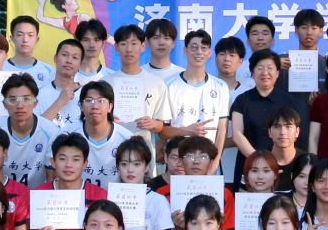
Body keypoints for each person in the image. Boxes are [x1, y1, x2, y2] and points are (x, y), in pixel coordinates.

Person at [149, 30, 231, 170]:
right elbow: (163, 131)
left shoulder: (220, 86)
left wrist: (214, 163)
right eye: (194, 47)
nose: (199, 52)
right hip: (178, 164)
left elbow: (222, 130)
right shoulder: (169, 85)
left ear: (209, 52)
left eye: (203, 48)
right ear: (185, 51)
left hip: (208, 163)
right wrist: (186, 131)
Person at [228, 49, 309, 177]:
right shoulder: (242, 100)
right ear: (252, 73)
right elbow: (237, 135)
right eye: (260, 68)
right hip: (249, 164)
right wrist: (260, 161)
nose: (265, 72)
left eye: (270, 68)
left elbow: (294, 134)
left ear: (277, 73)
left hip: (283, 166)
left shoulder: (289, 101)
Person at [105, 24, 172, 139]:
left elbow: (162, 125)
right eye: (123, 44)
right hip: (112, 146)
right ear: (116, 47)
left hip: (144, 146)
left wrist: (153, 124)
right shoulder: (105, 82)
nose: (129, 49)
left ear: (142, 46)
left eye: (134, 43)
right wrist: (106, 120)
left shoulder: (156, 83)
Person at [3, 15, 57, 90]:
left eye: (30, 35)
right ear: (12, 38)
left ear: (37, 39)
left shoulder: (49, 71)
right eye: (19, 35)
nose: (25, 40)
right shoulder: (1, 68)